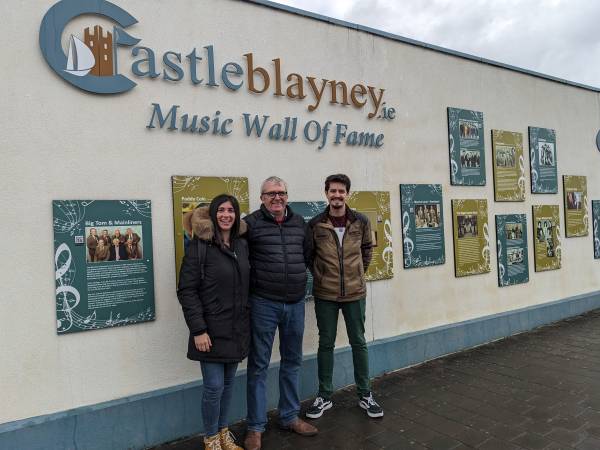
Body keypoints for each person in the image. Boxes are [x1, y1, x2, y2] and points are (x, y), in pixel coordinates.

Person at [244, 176, 316, 450]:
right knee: (259, 365)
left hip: (295, 303)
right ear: (261, 198)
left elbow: (308, 256)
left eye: (281, 192)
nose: (277, 197)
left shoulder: (299, 223)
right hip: (263, 304)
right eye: (271, 193)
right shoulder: (250, 224)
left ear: (287, 195)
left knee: (292, 361)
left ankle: (289, 416)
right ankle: (255, 427)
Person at [305, 174, 383, 420]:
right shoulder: (316, 224)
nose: (337, 195)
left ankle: (365, 394)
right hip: (325, 294)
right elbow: (309, 256)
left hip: (355, 293)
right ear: (326, 193)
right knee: (325, 343)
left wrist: (357, 274)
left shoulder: (360, 221)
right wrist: (321, 276)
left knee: (358, 342)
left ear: (347, 194)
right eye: (333, 191)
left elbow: (367, 251)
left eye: (341, 191)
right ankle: (324, 396)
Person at [177, 195, 250, 450]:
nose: (226, 215)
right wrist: (198, 329)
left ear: (236, 215)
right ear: (213, 214)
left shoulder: (241, 245)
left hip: (236, 328)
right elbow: (187, 291)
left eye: (231, 210)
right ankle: (210, 439)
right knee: (214, 387)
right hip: (209, 330)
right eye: (221, 210)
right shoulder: (199, 247)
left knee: (228, 385)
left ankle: (223, 433)